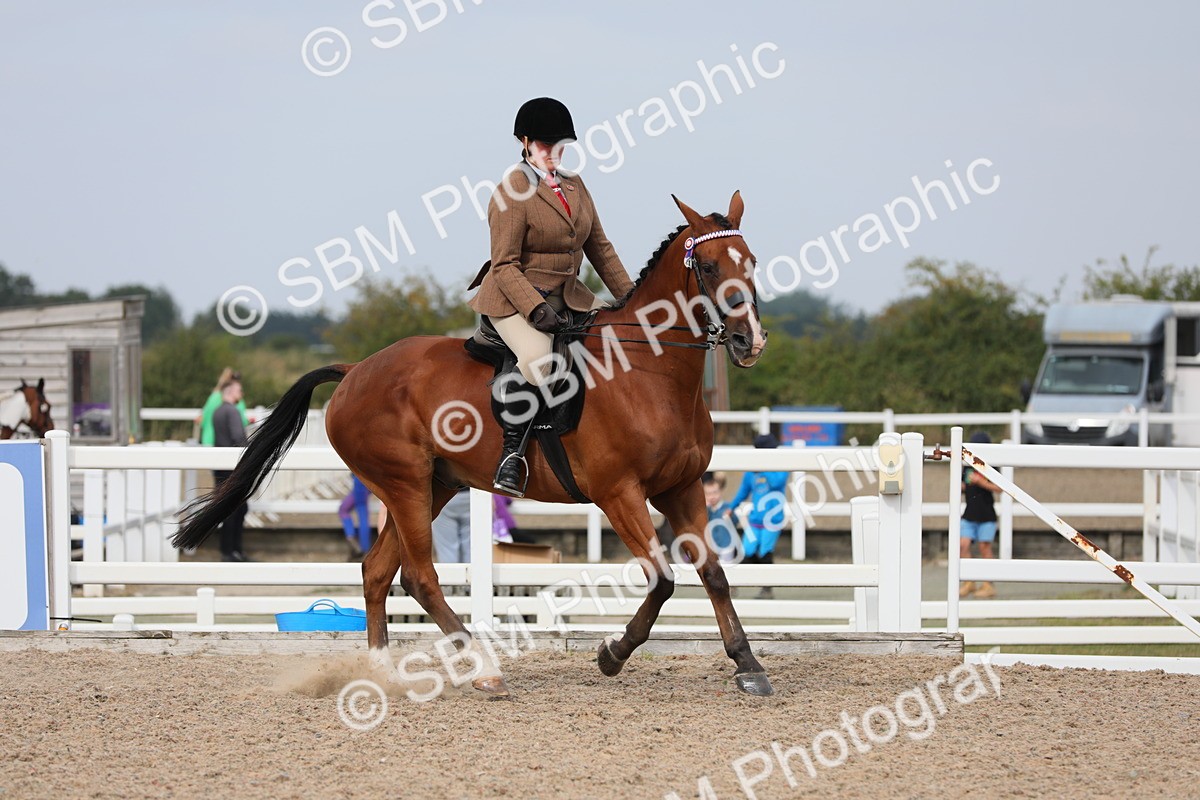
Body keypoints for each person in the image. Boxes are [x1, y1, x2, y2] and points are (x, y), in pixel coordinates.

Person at [467, 97, 635, 497]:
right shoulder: (511, 192)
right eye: (546, 145)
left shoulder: (575, 186)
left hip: (570, 297)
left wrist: (632, 300)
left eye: (561, 145)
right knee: (542, 361)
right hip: (514, 301)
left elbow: (601, 249)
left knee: (624, 337)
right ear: (524, 142)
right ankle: (512, 456)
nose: (554, 152)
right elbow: (504, 265)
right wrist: (535, 308)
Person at [727, 433, 790, 599]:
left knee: (765, 552)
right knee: (746, 551)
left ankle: (767, 589)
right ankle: (734, 585)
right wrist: (731, 507)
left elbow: (777, 483)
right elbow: (743, 492)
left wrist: (764, 468)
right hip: (755, 520)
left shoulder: (780, 468)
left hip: (773, 520)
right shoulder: (751, 472)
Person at [959, 431, 1001, 599]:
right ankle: (969, 581)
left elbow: (999, 488)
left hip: (986, 514)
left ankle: (988, 584)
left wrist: (981, 482)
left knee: (985, 547)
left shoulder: (992, 466)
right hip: (969, 513)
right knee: (963, 545)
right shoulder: (967, 465)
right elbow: (963, 485)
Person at [212, 378, 251, 562]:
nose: (241, 394)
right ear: (231, 392)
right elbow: (238, 437)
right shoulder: (233, 411)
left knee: (228, 509)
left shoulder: (217, 411)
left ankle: (229, 551)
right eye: (239, 390)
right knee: (238, 509)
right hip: (233, 468)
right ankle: (233, 551)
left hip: (220, 466)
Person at [198, 368, 248, 446]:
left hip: (208, 441)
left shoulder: (213, 397)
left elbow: (202, 420)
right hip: (226, 444)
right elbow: (241, 424)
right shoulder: (237, 402)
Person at [703, 471, 741, 564]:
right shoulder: (706, 510)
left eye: (715, 493)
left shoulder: (727, 507)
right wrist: (706, 508)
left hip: (726, 546)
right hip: (712, 546)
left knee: (726, 567)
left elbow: (735, 521)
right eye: (708, 494)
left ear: (720, 491)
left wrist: (730, 515)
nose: (712, 497)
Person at [432, 488, 472, 563]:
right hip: (471, 494)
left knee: (447, 551)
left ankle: (450, 571)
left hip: (444, 495)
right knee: (470, 548)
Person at [339, 474, 372, 560]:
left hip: (361, 478)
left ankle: (362, 549)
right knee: (344, 509)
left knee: (362, 515)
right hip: (363, 480)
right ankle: (354, 541)